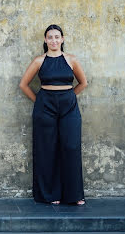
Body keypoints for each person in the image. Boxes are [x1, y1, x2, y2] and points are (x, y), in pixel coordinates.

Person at [19, 24, 88, 205]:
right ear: (45, 40)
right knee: (47, 149)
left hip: (69, 107)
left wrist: (70, 96)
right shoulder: (39, 61)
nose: (54, 40)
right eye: (50, 37)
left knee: (71, 147)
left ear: (62, 39)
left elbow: (83, 83)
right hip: (45, 106)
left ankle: (74, 195)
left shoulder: (71, 60)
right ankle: (50, 194)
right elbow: (23, 85)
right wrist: (40, 101)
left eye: (57, 37)